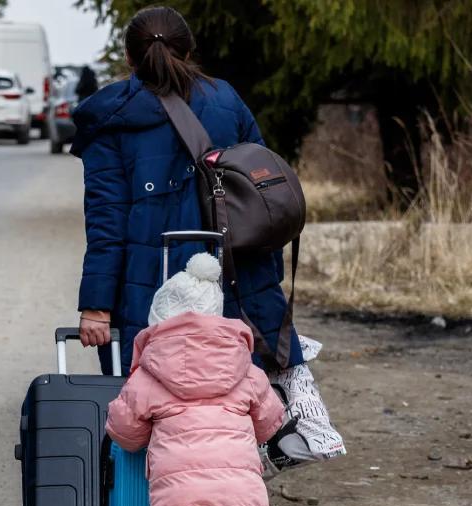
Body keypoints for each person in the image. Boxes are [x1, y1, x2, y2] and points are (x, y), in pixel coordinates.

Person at [70, 6, 342, 470]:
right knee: (230, 405)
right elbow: (261, 190)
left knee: (151, 411)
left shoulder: (110, 118)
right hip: (233, 278)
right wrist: (265, 280)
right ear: (189, 50)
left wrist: (96, 305)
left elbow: (107, 220)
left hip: (148, 291)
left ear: (129, 57)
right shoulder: (225, 100)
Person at [105, 252, 283, 506]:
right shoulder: (245, 370)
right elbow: (271, 423)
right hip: (238, 491)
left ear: (160, 321)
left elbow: (125, 433)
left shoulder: (148, 376)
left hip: (180, 498)